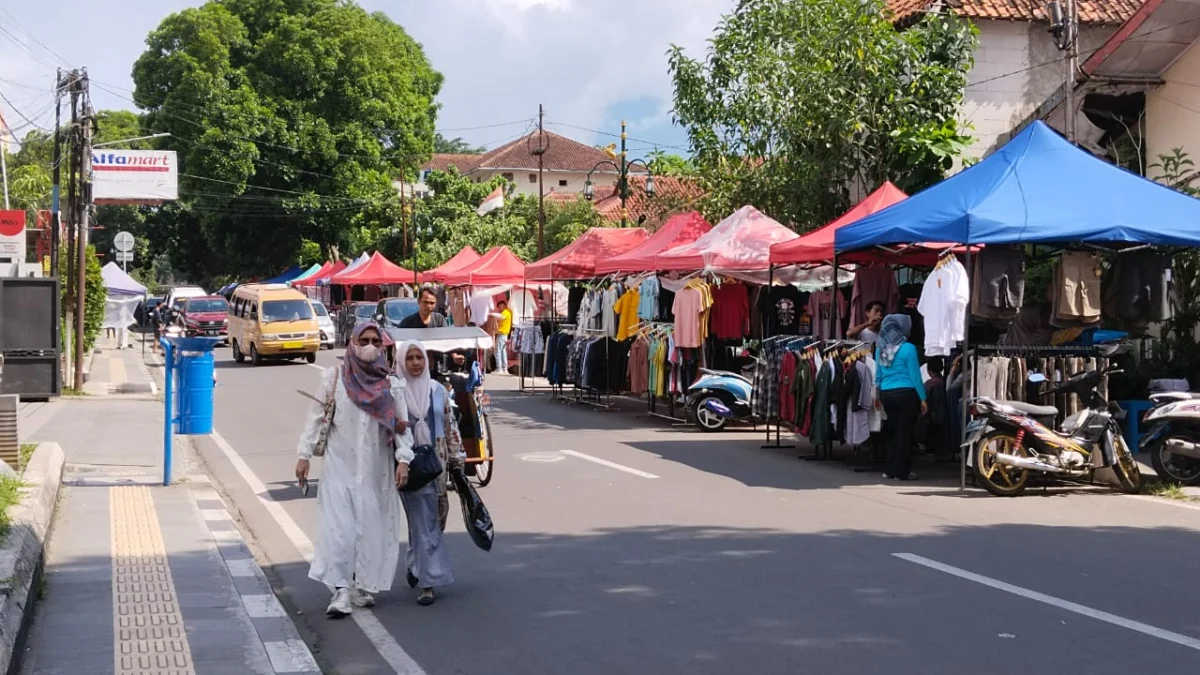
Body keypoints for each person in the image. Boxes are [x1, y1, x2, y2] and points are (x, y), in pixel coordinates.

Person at [295, 322, 413, 618]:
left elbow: (401, 426)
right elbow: (315, 418)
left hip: (376, 471)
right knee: (340, 532)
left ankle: (362, 585)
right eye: (365, 339)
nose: (370, 345)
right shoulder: (334, 378)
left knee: (370, 531)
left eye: (376, 340)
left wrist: (403, 459)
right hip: (339, 468)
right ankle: (341, 590)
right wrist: (304, 455)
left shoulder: (391, 385)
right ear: (353, 342)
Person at [397, 340, 466, 606]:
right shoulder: (396, 392)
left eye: (420, 358)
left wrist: (458, 460)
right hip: (409, 465)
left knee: (435, 518)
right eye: (410, 358)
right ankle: (428, 582)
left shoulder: (437, 390)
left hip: (436, 463)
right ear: (402, 361)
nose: (415, 363)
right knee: (422, 521)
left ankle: (416, 562)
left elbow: (449, 425)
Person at [875, 314, 926, 481]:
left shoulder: (880, 348)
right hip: (906, 395)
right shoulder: (909, 348)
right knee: (905, 435)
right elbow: (915, 376)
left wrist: (877, 395)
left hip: (887, 394)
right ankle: (901, 471)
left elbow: (878, 375)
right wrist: (923, 398)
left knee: (893, 432)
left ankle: (888, 469)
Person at [494, 299, 512, 374]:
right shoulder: (507, 312)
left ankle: (499, 368)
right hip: (504, 334)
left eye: (500, 306)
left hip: (502, 333)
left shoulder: (506, 312)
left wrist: (492, 315)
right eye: (498, 307)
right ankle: (504, 368)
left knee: (497, 351)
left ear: (504, 305)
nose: (499, 308)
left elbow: (501, 317)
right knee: (503, 351)